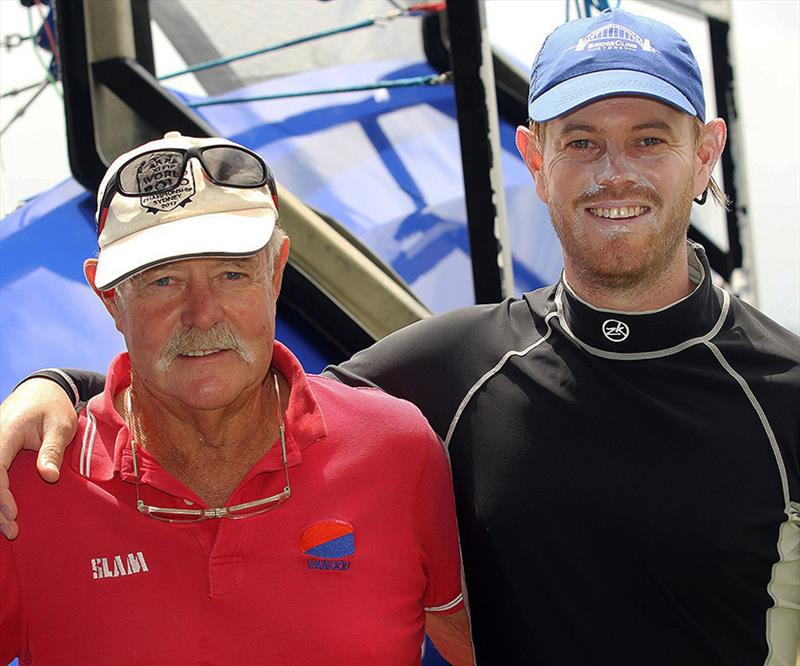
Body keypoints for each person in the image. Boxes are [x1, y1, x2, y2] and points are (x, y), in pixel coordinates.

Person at [1, 8, 799, 665]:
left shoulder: (789, 394)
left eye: (650, 138)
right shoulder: (450, 370)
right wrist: (59, 390)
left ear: (706, 154)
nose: (613, 171)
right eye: (581, 140)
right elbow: (230, 385)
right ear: (533, 157)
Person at [0, 132, 471, 664]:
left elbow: (482, 643)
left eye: (231, 273)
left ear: (276, 272)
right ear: (109, 298)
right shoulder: (27, 485)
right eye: (163, 281)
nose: (202, 314)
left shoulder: (396, 449)